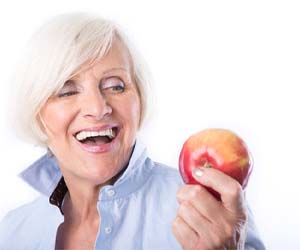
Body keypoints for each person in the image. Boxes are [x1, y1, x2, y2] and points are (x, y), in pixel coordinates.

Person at [0, 13, 265, 250]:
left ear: (139, 99)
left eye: (115, 86)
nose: (97, 107)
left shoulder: (210, 211)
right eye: (67, 91)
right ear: (37, 114)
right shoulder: (13, 232)